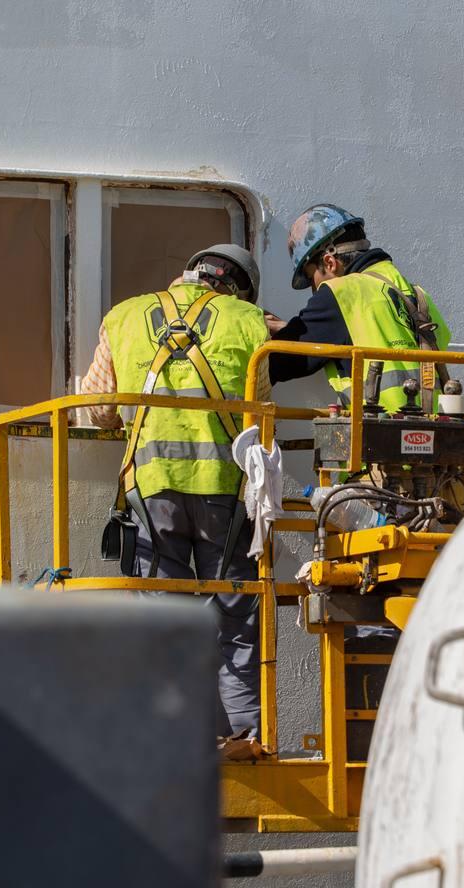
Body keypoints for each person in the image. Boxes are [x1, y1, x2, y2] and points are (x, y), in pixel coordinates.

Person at [82, 243, 270, 743]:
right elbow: (261, 415)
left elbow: (97, 410)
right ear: (237, 286)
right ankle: (243, 743)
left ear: (187, 274)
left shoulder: (122, 316)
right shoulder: (248, 322)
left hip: (151, 490)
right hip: (225, 495)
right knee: (235, 621)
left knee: (165, 620)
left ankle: (172, 740)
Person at [267, 204, 452, 410]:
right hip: (433, 427)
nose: (314, 288)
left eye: (312, 278)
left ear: (329, 263)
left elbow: (279, 362)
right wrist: (292, 328)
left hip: (376, 427)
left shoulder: (341, 292)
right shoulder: (416, 293)